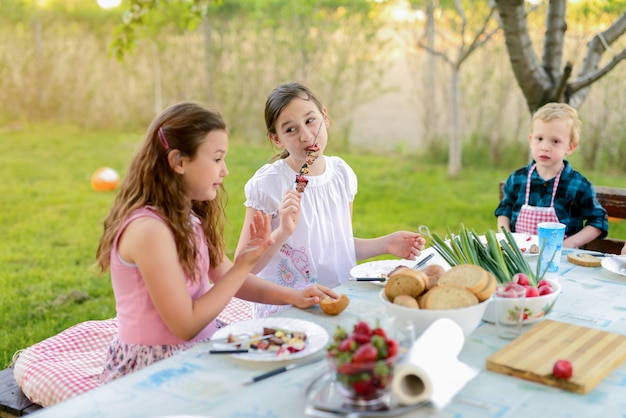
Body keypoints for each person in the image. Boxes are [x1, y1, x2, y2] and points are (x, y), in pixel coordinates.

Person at [95, 102, 336, 383]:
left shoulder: (190, 217)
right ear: (179, 162)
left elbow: (225, 276)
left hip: (201, 346)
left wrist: (293, 296)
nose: (225, 171)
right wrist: (242, 265)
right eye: (217, 159)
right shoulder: (149, 231)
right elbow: (185, 325)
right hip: (156, 366)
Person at [235, 82, 426, 318]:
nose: (305, 136)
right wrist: (283, 231)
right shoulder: (269, 185)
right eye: (290, 130)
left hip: (339, 301)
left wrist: (386, 244)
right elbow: (243, 271)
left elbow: (337, 246)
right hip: (288, 310)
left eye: (310, 120)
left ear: (325, 117)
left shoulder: (341, 175)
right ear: (276, 139)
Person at [495, 102, 608, 248]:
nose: (545, 147)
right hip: (520, 256)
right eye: (539, 139)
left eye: (555, 141)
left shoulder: (578, 185)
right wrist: (506, 236)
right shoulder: (517, 179)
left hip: (561, 260)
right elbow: (504, 211)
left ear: (570, 147)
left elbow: (598, 220)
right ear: (531, 140)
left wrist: (571, 243)